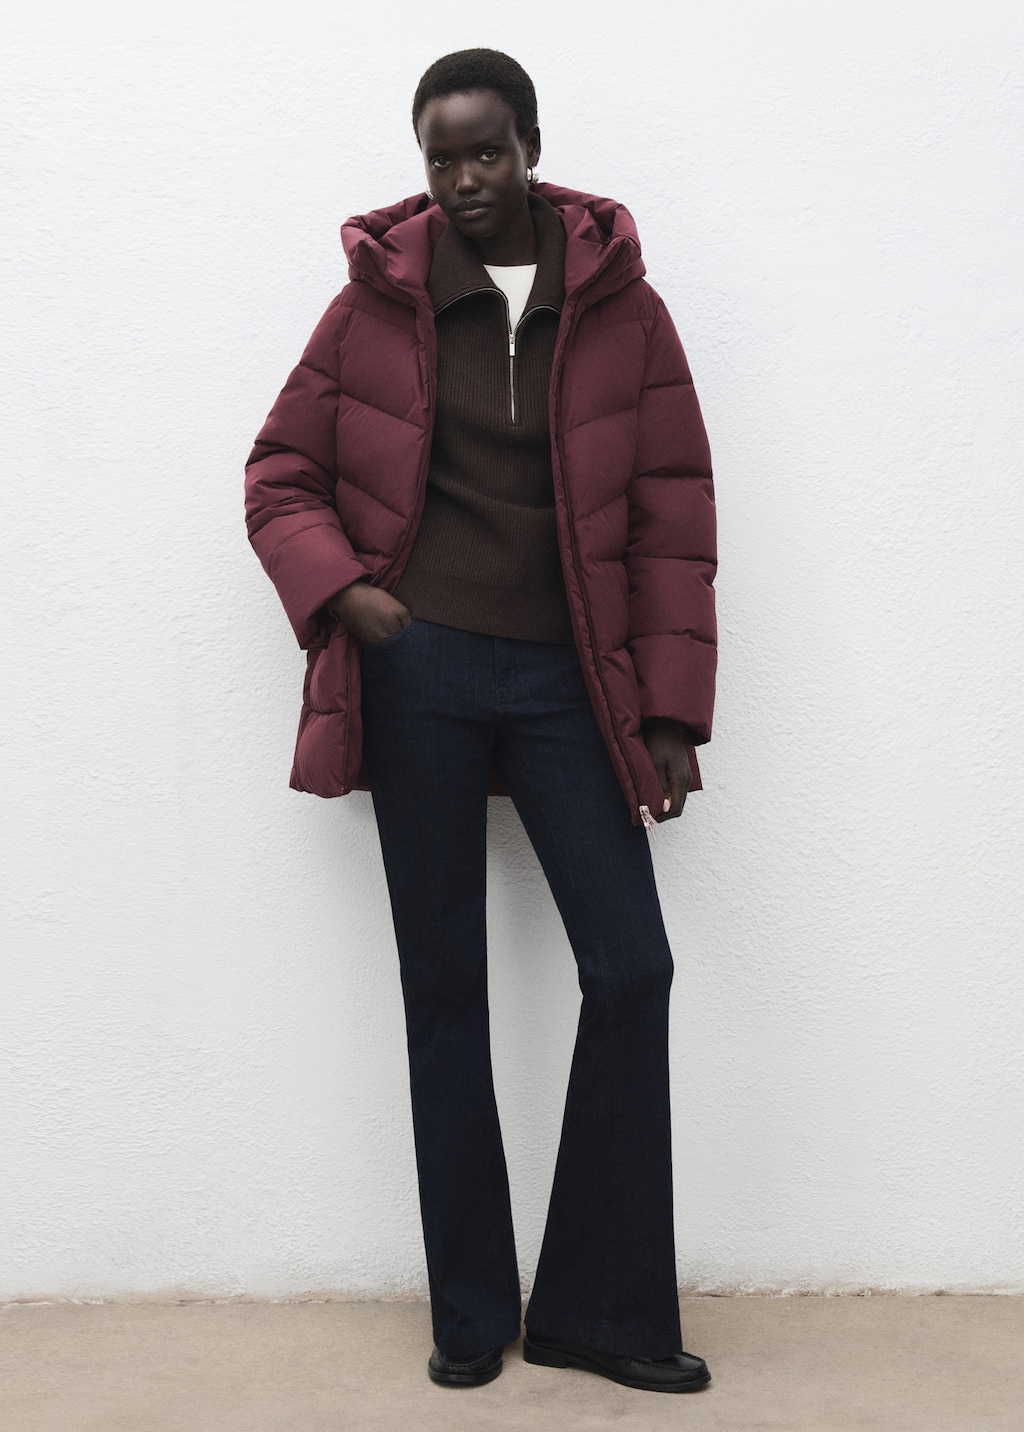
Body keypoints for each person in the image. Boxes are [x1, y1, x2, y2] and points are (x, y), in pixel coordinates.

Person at [245, 48, 717, 1395]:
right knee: (444, 989)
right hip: (425, 679)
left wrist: (672, 714)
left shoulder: (623, 308)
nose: (463, 179)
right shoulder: (375, 304)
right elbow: (279, 476)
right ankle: (468, 1313)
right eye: (440, 156)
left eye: (486, 151)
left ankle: (598, 1312)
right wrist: (352, 599)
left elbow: (672, 517)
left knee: (630, 968)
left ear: (530, 149)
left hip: (570, 684)